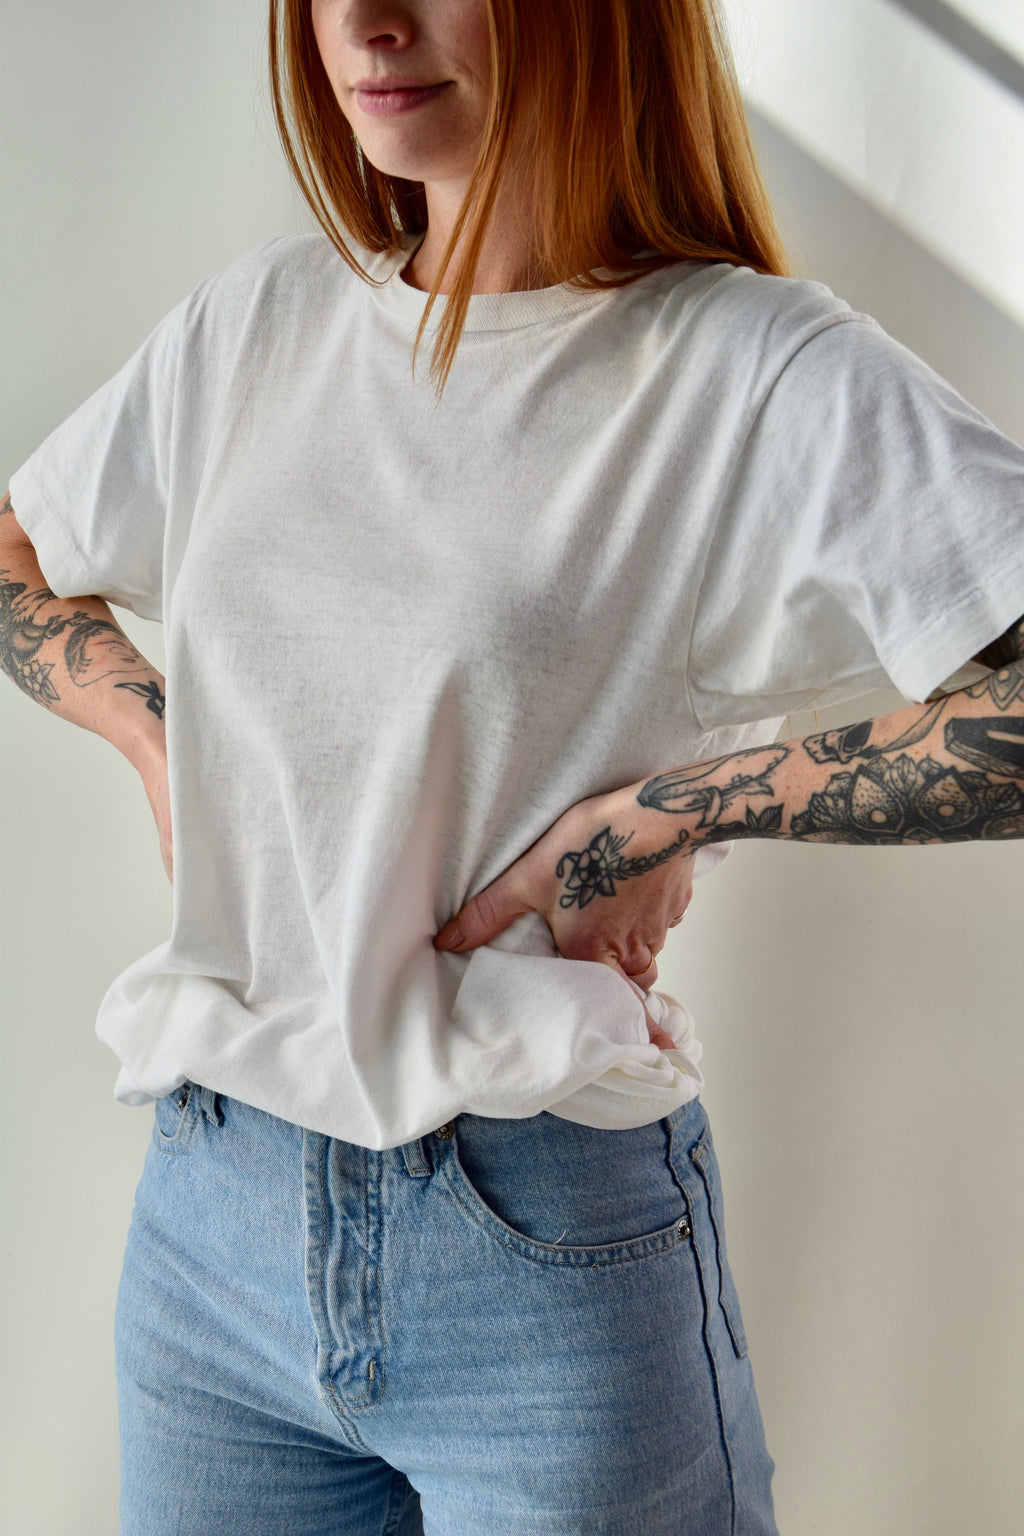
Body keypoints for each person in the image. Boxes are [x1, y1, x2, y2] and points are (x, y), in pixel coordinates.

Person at [2, 1, 1023, 1531]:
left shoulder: (745, 366)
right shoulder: (257, 325)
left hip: (544, 1251)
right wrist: (158, 734)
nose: (366, 21)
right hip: (214, 1226)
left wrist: (656, 816)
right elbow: (25, 544)